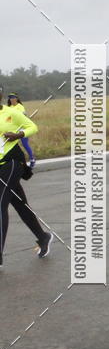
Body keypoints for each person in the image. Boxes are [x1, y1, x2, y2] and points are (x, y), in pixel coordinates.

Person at [0, 90, 52, 267]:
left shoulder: (11, 113)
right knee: (20, 204)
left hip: (13, 162)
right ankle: (43, 237)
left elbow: (32, 127)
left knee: (0, 204)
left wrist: (18, 135)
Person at [6, 94, 35, 167]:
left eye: (13, 98)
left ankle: (32, 159)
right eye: (10, 98)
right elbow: (8, 118)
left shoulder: (20, 106)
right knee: (12, 146)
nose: (11, 99)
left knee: (25, 144)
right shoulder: (9, 107)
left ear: (16, 98)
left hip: (22, 128)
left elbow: (22, 116)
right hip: (13, 129)